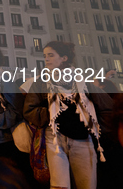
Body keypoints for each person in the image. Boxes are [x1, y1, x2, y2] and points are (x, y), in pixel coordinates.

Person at [24, 41, 112, 189]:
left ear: (64, 58)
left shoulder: (82, 81)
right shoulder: (40, 83)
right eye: (45, 56)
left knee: (87, 184)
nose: (46, 59)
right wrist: (53, 111)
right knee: (59, 186)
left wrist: (95, 128)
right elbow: (29, 110)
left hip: (83, 139)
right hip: (55, 139)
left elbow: (107, 107)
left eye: (51, 55)